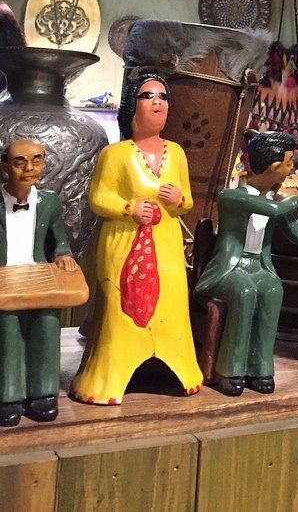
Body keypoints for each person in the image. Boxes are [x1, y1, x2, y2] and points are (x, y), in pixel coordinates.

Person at [71, 71, 203, 404]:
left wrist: (178, 200)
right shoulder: (115, 155)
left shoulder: (177, 153)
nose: (158, 103)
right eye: (149, 96)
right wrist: (129, 208)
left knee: (171, 303)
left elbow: (187, 201)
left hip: (166, 247)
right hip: (123, 244)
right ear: (132, 107)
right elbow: (98, 198)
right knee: (120, 311)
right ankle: (108, 377)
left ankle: (178, 367)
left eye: (163, 97)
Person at [195, 130, 298, 395]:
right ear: (274, 166)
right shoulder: (232, 196)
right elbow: (273, 210)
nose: (292, 170)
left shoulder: (275, 199)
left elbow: (297, 234)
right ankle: (230, 370)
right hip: (229, 269)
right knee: (244, 291)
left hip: (259, 266)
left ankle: (260, 369)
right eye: (290, 163)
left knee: (271, 289)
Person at [0, 138, 81, 426]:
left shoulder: (49, 201)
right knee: (8, 328)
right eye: (19, 161)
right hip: (5, 278)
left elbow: (59, 239)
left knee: (46, 324)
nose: (29, 168)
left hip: (38, 274)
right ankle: (9, 394)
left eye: (37, 160)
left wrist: (63, 254)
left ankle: (43, 393)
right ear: (5, 165)